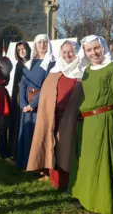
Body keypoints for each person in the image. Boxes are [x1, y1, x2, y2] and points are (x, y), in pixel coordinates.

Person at [70, 35, 113, 214]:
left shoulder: (112, 69)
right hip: (87, 122)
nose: (93, 53)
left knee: (103, 163)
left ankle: (106, 208)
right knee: (87, 161)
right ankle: (85, 197)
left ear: (103, 47)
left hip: (104, 120)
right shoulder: (87, 70)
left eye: (96, 48)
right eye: (89, 50)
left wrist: (112, 121)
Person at [26, 41, 86, 189]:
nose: (67, 55)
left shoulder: (83, 73)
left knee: (66, 150)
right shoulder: (55, 71)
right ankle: (53, 177)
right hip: (52, 117)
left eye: (70, 52)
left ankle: (67, 181)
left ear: (77, 52)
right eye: (64, 52)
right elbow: (46, 94)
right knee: (52, 147)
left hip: (71, 120)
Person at [16, 34, 56, 170]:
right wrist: (23, 104)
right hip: (27, 106)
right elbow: (23, 83)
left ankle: (38, 165)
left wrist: (32, 105)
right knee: (27, 134)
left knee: (38, 135)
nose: (42, 45)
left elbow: (47, 86)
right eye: (39, 43)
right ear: (35, 45)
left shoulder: (52, 63)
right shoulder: (30, 62)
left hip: (40, 105)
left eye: (45, 42)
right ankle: (26, 162)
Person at [9, 41, 30, 160]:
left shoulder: (34, 62)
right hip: (20, 98)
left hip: (32, 96)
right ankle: (16, 151)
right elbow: (17, 84)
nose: (21, 51)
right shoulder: (19, 65)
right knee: (19, 123)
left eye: (23, 48)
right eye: (19, 50)